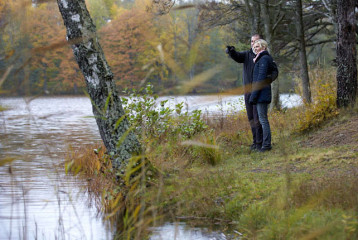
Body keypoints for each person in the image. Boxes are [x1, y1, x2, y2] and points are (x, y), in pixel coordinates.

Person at [226, 34, 263, 151]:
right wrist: (231, 51)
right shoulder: (247, 55)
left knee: (258, 118)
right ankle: (255, 142)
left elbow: (273, 71)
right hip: (248, 92)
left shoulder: (264, 56)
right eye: (252, 41)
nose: (253, 44)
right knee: (251, 118)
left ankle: (260, 143)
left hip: (259, 92)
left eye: (256, 41)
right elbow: (237, 56)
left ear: (261, 43)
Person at [249, 39, 274, 152]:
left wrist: (253, 96)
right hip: (261, 93)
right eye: (254, 47)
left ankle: (266, 145)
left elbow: (260, 78)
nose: (255, 48)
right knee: (262, 119)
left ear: (263, 47)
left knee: (263, 120)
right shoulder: (260, 59)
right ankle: (265, 143)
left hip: (262, 94)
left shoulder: (263, 59)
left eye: (257, 46)